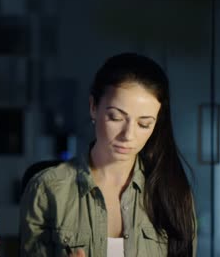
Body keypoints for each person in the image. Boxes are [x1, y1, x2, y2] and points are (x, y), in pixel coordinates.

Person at [19, 52, 197, 256]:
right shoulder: (47, 189)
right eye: (115, 117)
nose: (128, 135)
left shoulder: (173, 194)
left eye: (144, 124)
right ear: (93, 107)